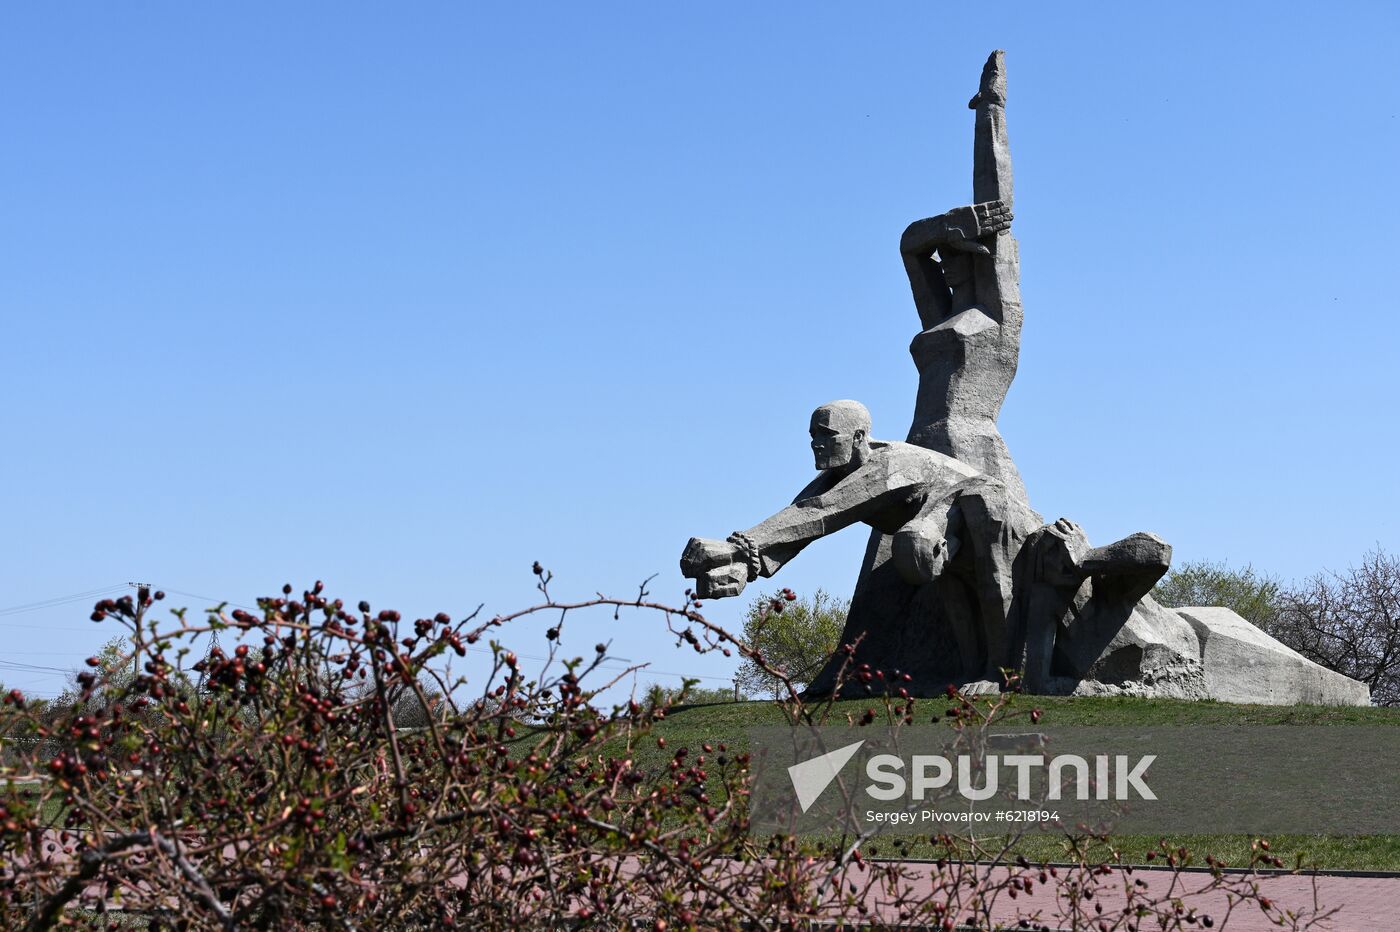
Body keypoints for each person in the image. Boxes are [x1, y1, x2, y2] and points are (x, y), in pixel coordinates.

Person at [680, 400, 980, 601]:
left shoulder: (891, 465)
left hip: (977, 532)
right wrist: (745, 567)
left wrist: (734, 549)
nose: (816, 443)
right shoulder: (840, 473)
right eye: (812, 435)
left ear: (858, 437)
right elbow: (799, 516)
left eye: (827, 435)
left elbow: (824, 510)